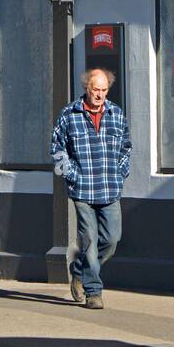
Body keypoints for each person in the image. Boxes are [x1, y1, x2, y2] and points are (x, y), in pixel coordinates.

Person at [49, 68, 131, 309]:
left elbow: (126, 148)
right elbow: (57, 150)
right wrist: (73, 175)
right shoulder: (69, 114)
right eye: (96, 90)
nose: (100, 95)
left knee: (112, 239)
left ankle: (79, 269)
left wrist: (120, 173)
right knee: (89, 243)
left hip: (109, 188)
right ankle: (93, 292)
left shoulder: (116, 113)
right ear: (86, 88)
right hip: (82, 190)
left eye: (104, 90)